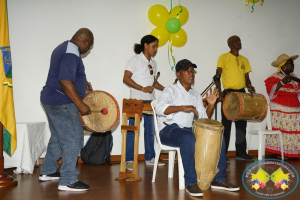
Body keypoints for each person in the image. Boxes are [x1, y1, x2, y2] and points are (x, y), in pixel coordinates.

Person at [155, 59, 240, 197]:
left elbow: (202, 118)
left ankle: (219, 179)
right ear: (178, 74)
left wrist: (211, 105)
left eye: (192, 71)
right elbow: (159, 109)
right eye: (187, 71)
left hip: (188, 130)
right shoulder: (170, 90)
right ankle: (190, 182)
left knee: (218, 134)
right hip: (168, 130)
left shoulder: (195, 94)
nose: (191, 73)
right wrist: (182, 108)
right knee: (187, 137)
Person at [39, 28, 94, 191]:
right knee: (74, 137)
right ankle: (68, 179)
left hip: (51, 99)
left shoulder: (63, 47)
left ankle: (48, 171)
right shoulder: (72, 52)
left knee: (57, 137)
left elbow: (64, 77)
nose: (88, 50)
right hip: (62, 101)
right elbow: (64, 81)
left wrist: (82, 85)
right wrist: (81, 104)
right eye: (89, 46)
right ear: (85, 41)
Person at [123, 35, 165, 170]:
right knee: (132, 130)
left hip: (150, 101)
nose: (156, 49)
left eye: (157, 46)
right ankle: (129, 160)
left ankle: (150, 158)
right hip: (136, 100)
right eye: (154, 46)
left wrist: (166, 89)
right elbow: (126, 78)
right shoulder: (134, 60)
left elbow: (153, 83)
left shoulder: (153, 62)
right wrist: (142, 88)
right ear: (145, 45)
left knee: (150, 130)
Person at [216, 35, 255, 162]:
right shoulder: (223, 57)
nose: (238, 42)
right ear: (229, 44)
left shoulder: (244, 60)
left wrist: (249, 86)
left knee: (241, 124)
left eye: (239, 40)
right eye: (235, 41)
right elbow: (217, 76)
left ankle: (241, 152)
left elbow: (247, 78)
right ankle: (223, 154)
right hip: (229, 93)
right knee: (226, 124)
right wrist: (219, 92)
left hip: (242, 93)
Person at [265, 54, 300, 158]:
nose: (292, 66)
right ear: (283, 66)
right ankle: (281, 152)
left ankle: (293, 152)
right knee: (282, 130)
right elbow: (271, 93)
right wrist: (282, 82)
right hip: (280, 110)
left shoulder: (294, 77)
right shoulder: (274, 77)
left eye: (292, 64)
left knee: (293, 131)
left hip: (294, 109)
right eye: (290, 64)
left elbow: (297, 91)